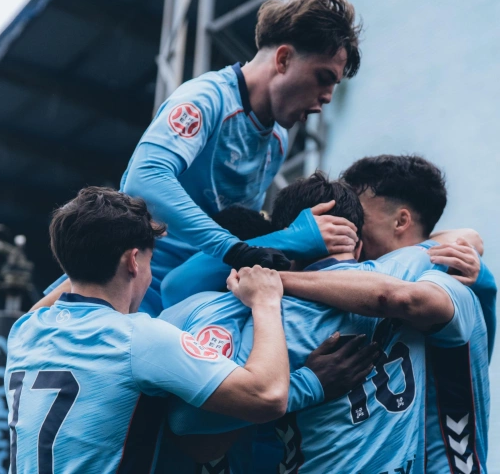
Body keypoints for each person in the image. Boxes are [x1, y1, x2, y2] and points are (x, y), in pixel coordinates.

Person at [39, 0, 363, 315]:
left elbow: (240, 233)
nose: (327, 99)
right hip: (130, 288)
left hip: (191, 295)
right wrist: (241, 247)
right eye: (323, 78)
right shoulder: (205, 100)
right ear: (283, 59)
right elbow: (145, 178)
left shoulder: (277, 139)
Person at [162, 172, 475, 473]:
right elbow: (459, 242)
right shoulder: (412, 270)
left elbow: (191, 425)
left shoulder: (270, 321)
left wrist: (306, 382)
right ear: (359, 244)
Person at [5, 187, 290, 473]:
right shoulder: (139, 339)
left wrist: (88, 243)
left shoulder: (24, 331)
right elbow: (268, 397)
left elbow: (51, 297)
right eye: (149, 262)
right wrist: (265, 302)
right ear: (133, 262)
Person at [279, 155, 496, 473]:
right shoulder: (370, 286)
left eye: (357, 217)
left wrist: (276, 280)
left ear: (401, 221)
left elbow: (396, 296)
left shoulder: (446, 280)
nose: (346, 227)